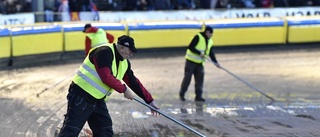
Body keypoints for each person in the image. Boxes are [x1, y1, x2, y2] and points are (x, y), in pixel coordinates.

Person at [58, 35, 160, 137]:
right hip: (81, 95)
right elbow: (106, 77)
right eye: (130, 50)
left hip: (97, 99)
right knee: (71, 130)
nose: (131, 54)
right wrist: (124, 90)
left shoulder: (124, 63)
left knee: (105, 132)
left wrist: (149, 100)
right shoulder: (104, 52)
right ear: (121, 47)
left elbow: (133, 82)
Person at [179, 26, 221, 102]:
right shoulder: (198, 37)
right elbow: (190, 47)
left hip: (200, 63)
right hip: (191, 61)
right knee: (187, 78)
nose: (212, 35)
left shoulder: (210, 41)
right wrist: (199, 53)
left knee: (199, 79)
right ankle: (182, 94)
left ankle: (198, 96)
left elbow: (211, 53)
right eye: (211, 33)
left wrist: (216, 62)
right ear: (207, 32)